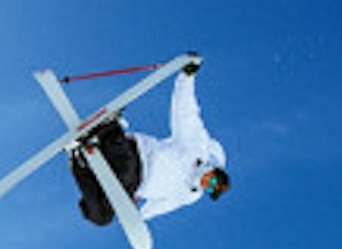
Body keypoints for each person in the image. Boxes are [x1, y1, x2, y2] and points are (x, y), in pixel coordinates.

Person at [71, 61, 228, 227]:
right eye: (213, 181)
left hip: (135, 185)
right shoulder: (196, 148)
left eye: (211, 190)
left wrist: (139, 219)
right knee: (124, 171)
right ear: (213, 167)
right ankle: (109, 129)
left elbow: (163, 206)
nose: (207, 185)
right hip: (136, 155)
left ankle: (78, 160)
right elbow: (185, 112)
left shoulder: (190, 195)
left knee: (101, 216)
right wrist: (186, 78)